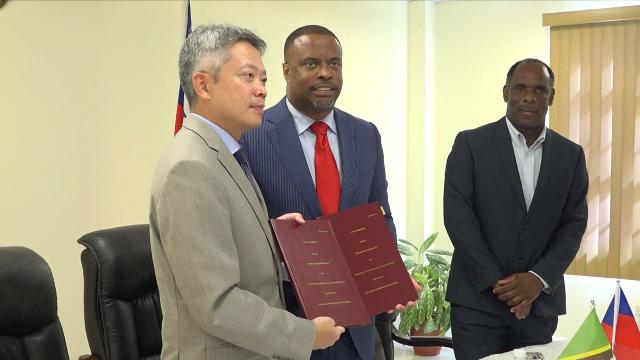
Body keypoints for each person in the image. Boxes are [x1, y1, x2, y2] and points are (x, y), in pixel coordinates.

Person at [149, 24, 344, 360]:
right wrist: (308, 335)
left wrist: (272, 234)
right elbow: (218, 303)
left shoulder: (225, 153)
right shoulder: (190, 167)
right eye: (248, 77)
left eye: (264, 80)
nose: (261, 90)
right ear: (203, 85)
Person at [242, 25, 397, 360]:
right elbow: (243, 232)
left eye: (335, 63)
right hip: (289, 326)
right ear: (286, 70)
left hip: (358, 329)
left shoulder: (365, 134)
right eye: (311, 64)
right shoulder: (250, 136)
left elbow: (380, 215)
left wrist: (390, 275)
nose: (326, 73)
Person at [443, 58, 588, 359]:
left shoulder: (570, 156)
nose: (529, 97)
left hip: (538, 306)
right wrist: (502, 286)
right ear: (506, 92)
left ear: (552, 96)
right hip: (477, 304)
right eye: (520, 87)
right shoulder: (471, 145)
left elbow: (573, 226)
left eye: (540, 89)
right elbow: (459, 219)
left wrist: (537, 279)